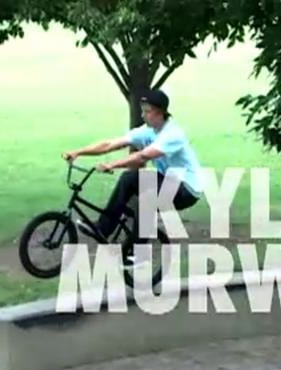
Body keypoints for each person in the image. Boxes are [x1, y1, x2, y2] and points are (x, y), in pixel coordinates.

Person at [62, 89, 203, 263]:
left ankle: (139, 252)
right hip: (168, 180)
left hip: (186, 189)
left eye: (147, 111)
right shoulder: (147, 131)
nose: (143, 115)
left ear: (160, 112)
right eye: (142, 111)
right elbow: (110, 144)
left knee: (144, 196)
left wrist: (112, 165)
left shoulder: (172, 134)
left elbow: (143, 156)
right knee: (130, 183)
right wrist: (78, 152)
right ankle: (107, 231)